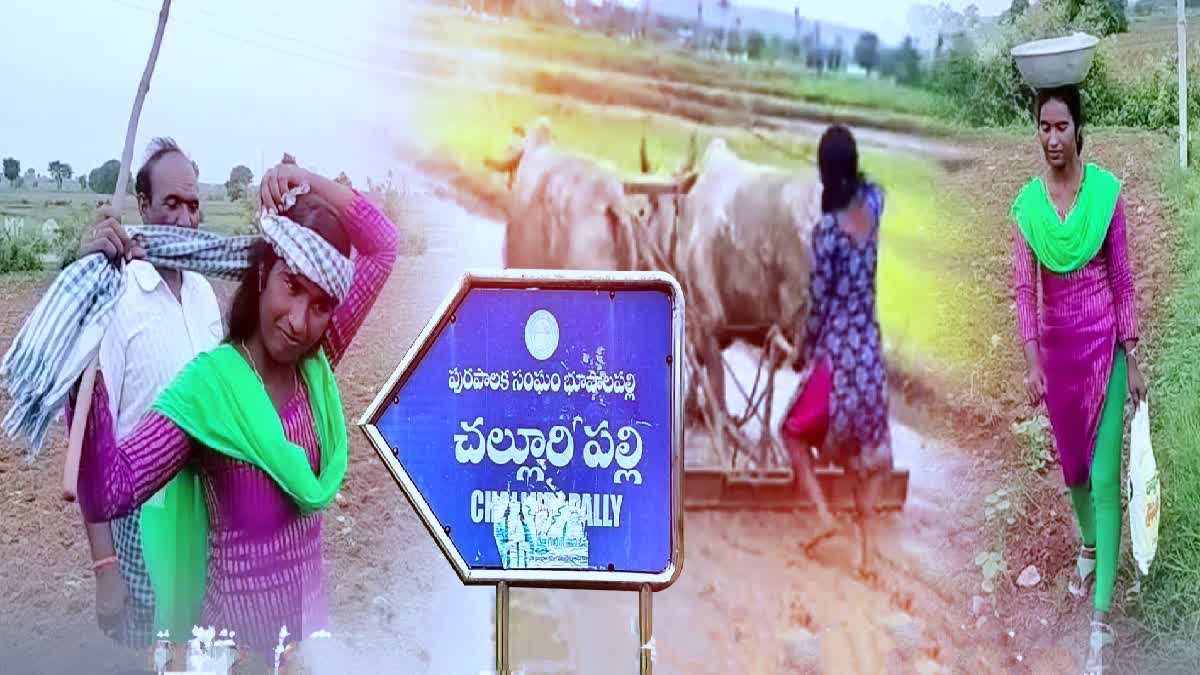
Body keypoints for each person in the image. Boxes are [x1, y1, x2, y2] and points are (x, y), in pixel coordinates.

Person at [74, 160, 400, 663]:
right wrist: (85, 316)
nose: (298, 322)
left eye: (319, 305)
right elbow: (112, 488)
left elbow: (383, 244)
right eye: (291, 287)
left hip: (307, 643)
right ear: (264, 273)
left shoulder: (315, 365)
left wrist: (302, 180)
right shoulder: (209, 390)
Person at [65, 137, 220, 656]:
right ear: (144, 207)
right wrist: (105, 568)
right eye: (171, 204)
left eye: (192, 205)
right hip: (139, 521)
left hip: (201, 515)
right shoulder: (117, 298)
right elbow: (90, 447)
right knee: (144, 656)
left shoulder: (203, 294)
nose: (183, 218)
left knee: (197, 655)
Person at [1010, 85, 1145, 674]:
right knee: (1074, 471)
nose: (1053, 138)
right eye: (1044, 127)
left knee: (1106, 476)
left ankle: (1101, 618)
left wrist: (1132, 354)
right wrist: (1032, 358)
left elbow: (1123, 278)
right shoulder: (1029, 210)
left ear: (1079, 130)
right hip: (1060, 358)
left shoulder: (1106, 196)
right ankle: (1089, 544)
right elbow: (1023, 288)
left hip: (1104, 349)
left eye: (1062, 126)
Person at [781, 125, 892, 578]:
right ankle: (865, 556)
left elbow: (819, 304)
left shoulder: (826, 234)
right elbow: (875, 187)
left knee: (789, 432)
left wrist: (800, 353)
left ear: (825, 172)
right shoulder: (873, 208)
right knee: (861, 454)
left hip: (839, 360)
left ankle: (825, 519)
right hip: (871, 356)